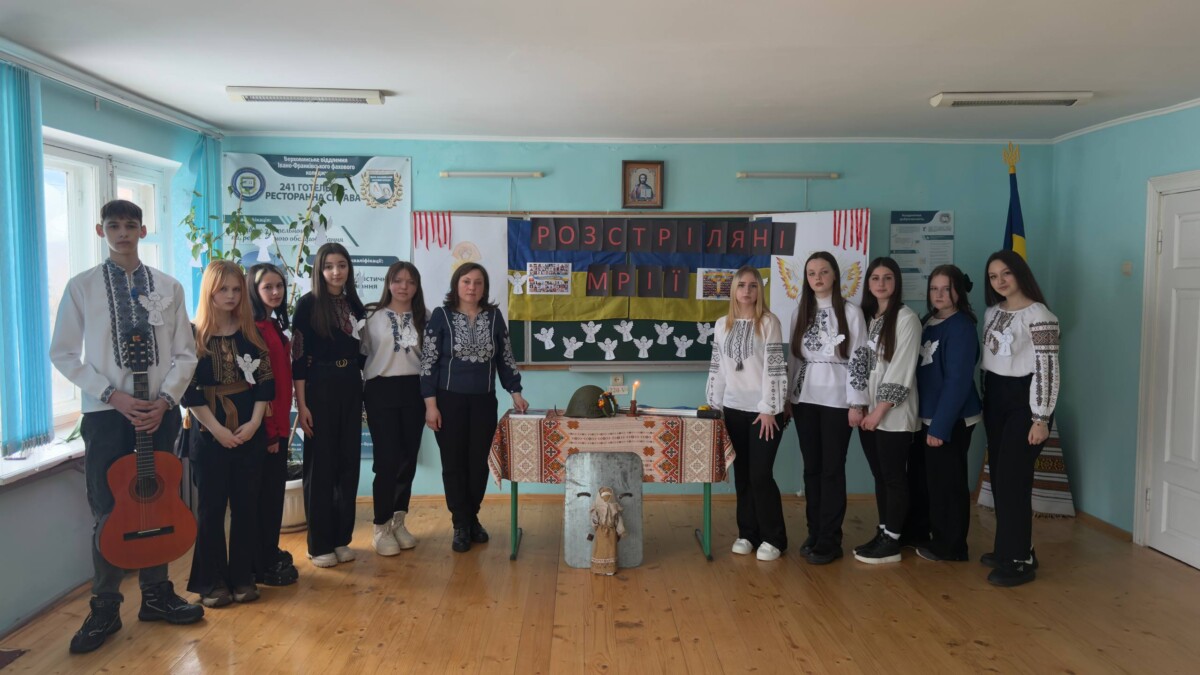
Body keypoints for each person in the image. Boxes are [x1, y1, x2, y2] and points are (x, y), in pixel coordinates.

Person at [49, 199, 203, 654]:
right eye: (113, 225)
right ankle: (105, 607)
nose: (122, 233)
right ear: (101, 230)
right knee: (110, 508)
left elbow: (186, 354)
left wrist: (165, 400)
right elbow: (63, 353)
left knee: (159, 499)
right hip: (106, 415)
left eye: (130, 225)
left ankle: (156, 596)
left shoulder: (169, 286)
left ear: (142, 230)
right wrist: (110, 395)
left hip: (159, 411)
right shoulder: (81, 287)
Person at [183, 260, 273, 607]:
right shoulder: (192, 335)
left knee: (246, 507)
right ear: (209, 291)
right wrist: (218, 430)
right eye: (224, 289)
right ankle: (212, 582)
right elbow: (188, 391)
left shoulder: (251, 332)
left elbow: (265, 382)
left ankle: (242, 577)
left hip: (250, 429)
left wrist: (254, 423)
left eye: (237, 289)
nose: (231, 295)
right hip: (208, 431)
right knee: (211, 509)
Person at [420, 263, 528, 552]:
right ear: (456, 284)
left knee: (479, 463)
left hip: (483, 402)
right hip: (448, 402)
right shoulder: (441, 316)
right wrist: (430, 406)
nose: (472, 287)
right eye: (466, 281)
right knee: (453, 463)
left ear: (484, 288)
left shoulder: (493, 317)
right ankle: (460, 524)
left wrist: (516, 392)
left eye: (478, 283)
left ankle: (472, 517)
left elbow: (505, 358)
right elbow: (428, 362)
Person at [980, 250, 1060, 587]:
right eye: (993, 276)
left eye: (1006, 273)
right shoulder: (992, 312)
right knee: (1001, 478)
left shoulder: (1039, 314)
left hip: (1025, 402)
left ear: (1019, 273)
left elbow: (1047, 368)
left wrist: (1040, 417)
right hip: (996, 399)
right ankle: (1012, 547)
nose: (999, 281)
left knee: (1013, 479)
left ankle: (1019, 560)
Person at [786, 251, 870, 565]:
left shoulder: (851, 312)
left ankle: (830, 539)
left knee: (832, 469)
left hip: (838, 400)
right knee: (812, 468)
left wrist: (857, 402)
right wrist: (788, 398)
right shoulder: (801, 312)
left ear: (834, 274)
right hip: (805, 399)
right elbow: (794, 358)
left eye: (823, 272)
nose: (818, 278)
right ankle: (815, 531)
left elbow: (860, 357)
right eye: (811, 273)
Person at [705, 265, 789, 561]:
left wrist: (769, 408)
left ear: (759, 291)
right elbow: (718, 368)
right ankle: (747, 533)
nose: (747, 291)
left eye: (753, 285)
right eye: (741, 285)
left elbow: (774, 367)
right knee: (742, 475)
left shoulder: (768, 322)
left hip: (763, 412)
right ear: (733, 290)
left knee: (760, 474)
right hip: (733, 410)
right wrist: (714, 406)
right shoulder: (722, 324)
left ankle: (773, 538)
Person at [292, 243, 366, 567]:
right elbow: (298, 359)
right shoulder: (307, 305)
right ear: (319, 271)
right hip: (319, 388)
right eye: (329, 266)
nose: (336, 272)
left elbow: (364, 352)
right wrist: (302, 405)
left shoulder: (355, 305)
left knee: (348, 465)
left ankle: (340, 539)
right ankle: (318, 543)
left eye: (342, 265)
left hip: (350, 385)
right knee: (321, 467)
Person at [853, 257, 922, 564]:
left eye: (888, 278)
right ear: (868, 284)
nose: (881, 283)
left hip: (891, 413)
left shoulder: (906, 318)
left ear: (897, 282)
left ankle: (893, 540)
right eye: (875, 278)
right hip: (869, 411)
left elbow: (900, 369)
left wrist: (879, 411)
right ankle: (884, 531)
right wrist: (860, 405)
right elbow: (860, 364)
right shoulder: (868, 318)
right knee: (879, 474)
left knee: (893, 476)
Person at [914, 265, 983, 564]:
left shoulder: (961, 327)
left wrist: (940, 427)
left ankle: (953, 546)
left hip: (951, 419)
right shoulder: (928, 321)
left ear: (959, 291)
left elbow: (957, 381)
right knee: (933, 481)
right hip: (929, 416)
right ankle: (934, 534)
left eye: (947, 288)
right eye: (934, 289)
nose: (939, 294)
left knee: (949, 483)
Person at [361, 261, 428, 556]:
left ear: (417, 286)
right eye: (398, 280)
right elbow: (361, 354)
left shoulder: (425, 317)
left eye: (410, 282)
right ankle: (381, 526)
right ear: (388, 282)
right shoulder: (370, 316)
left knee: (407, 459)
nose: (404, 287)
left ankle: (399, 521)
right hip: (380, 389)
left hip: (414, 390)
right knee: (386, 460)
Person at [248, 263, 300, 586]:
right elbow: (260, 387)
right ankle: (260, 563)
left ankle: (268, 553)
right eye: (268, 287)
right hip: (266, 430)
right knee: (263, 500)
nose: (276, 292)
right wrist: (269, 433)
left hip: (279, 426)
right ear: (254, 291)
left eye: (279, 286)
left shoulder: (273, 326)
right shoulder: (253, 329)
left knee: (272, 498)